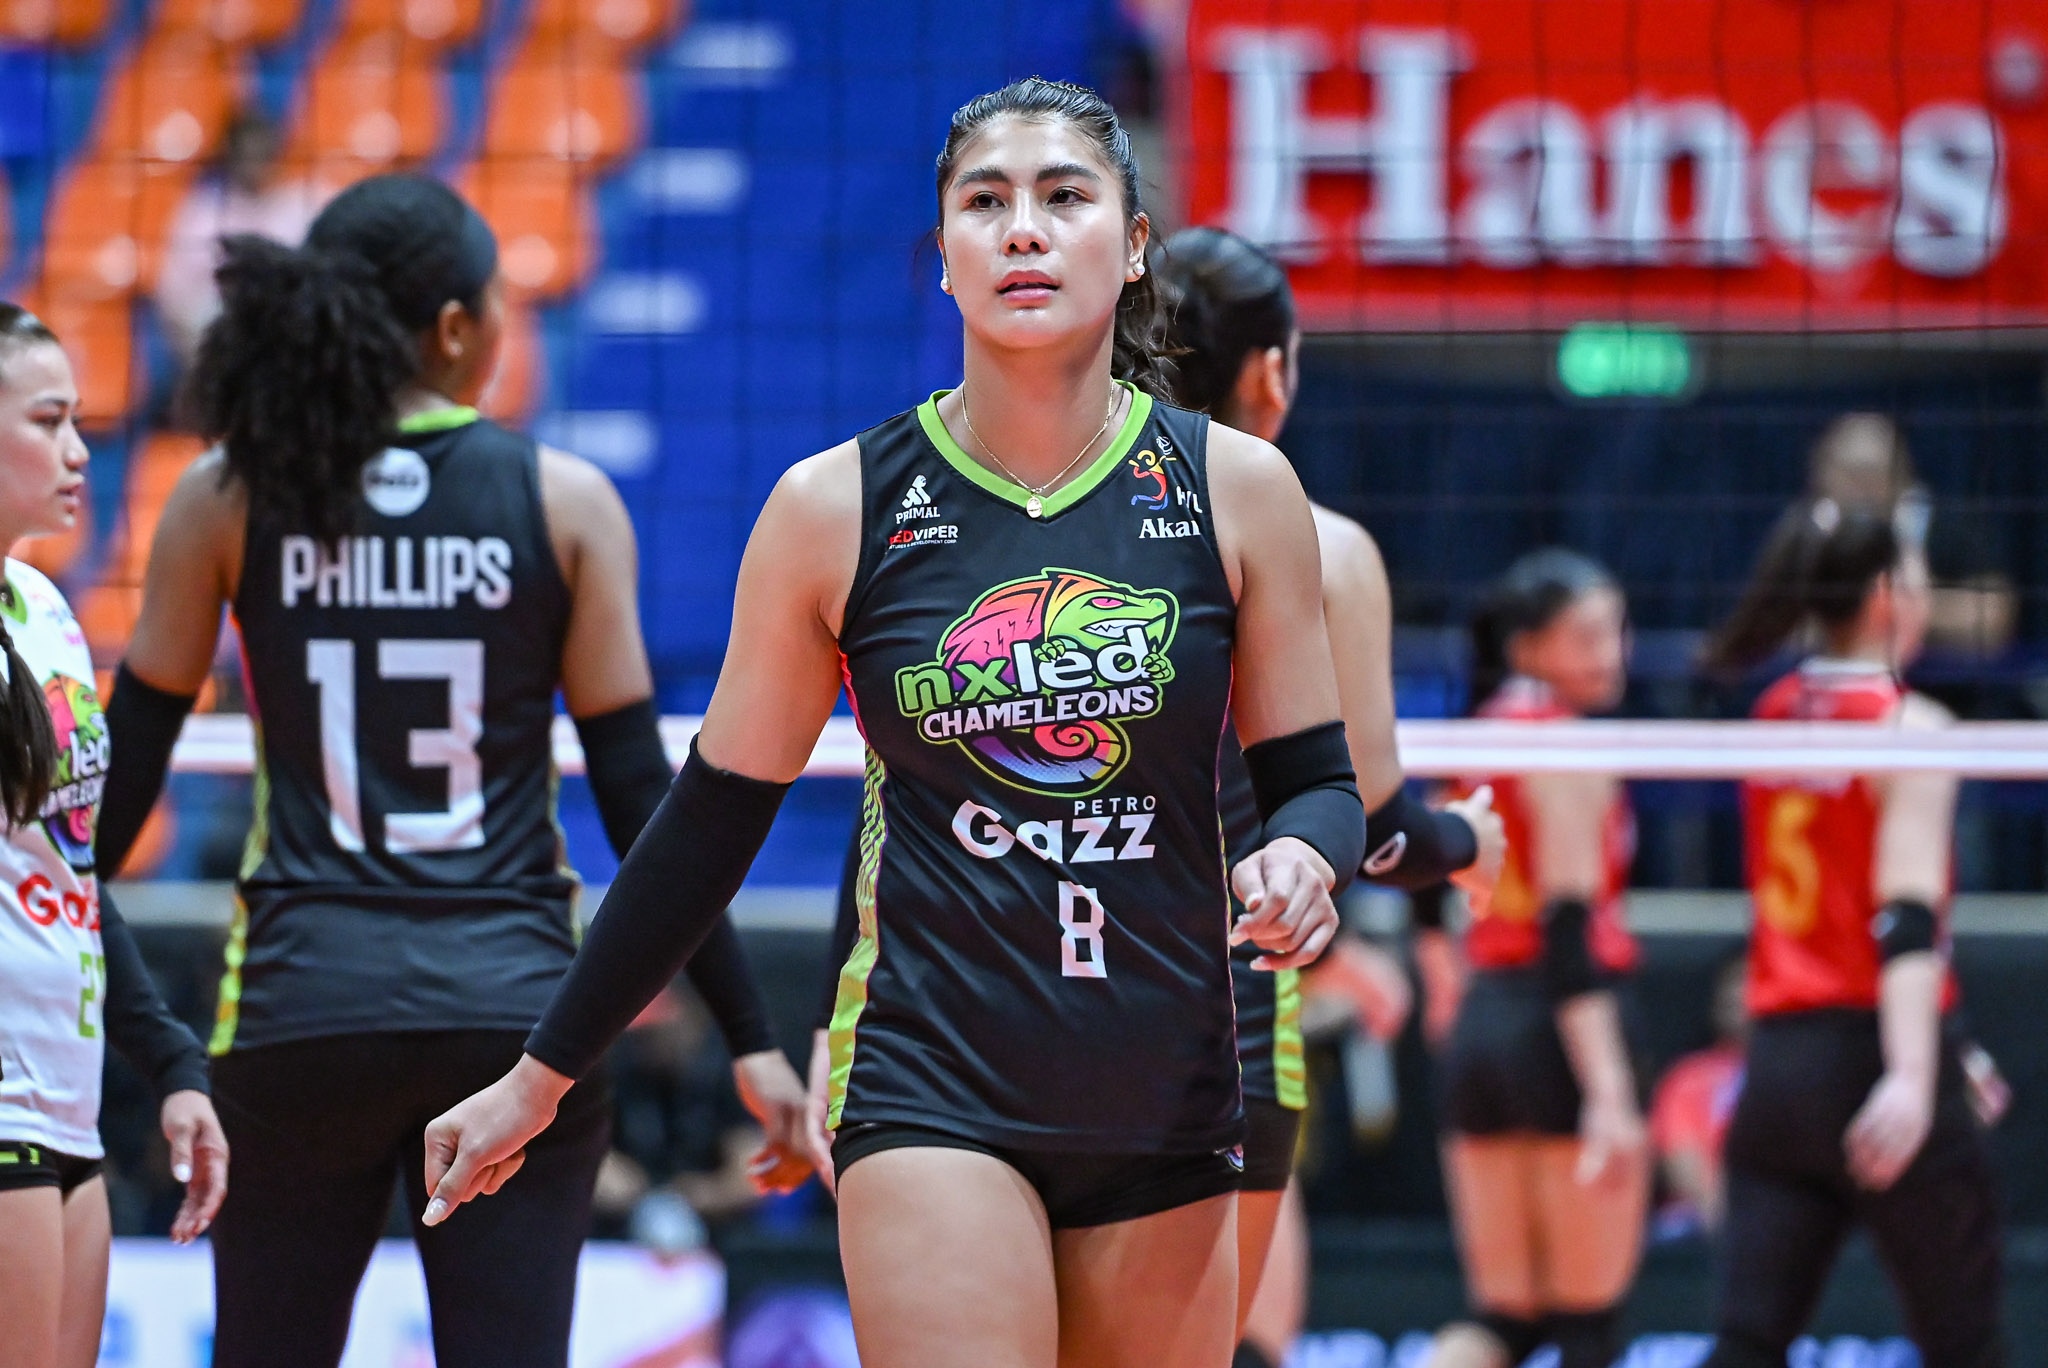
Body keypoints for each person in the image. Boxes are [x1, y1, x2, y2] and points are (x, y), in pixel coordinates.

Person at [421, 77, 1369, 1368]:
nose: (1023, 228)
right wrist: (541, 1076)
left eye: (1064, 197)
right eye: (985, 203)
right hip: (932, 1078)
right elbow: (708, 823)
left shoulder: (1239, 490)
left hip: (1168, 1083)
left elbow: (1320, 781)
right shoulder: (833, 506)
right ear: (942, 257)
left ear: (1135, 244)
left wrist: (1306, 854)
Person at [93, 174, 808, 1368]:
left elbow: (105, 816)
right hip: (508, 1022)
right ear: (455, 329)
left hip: (298, 1011)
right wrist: (751, 1036)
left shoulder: (224, 494)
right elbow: (649, 806)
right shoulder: (565, 502)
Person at [1152, 224, 1502, 1368]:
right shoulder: (1323, 549)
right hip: (1221, 1016)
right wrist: (1467, 841)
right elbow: (1377, 832)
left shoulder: (1021, 523)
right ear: (1270, 372)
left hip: (1020, 1007)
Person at [1696, 501, 2006, 1368]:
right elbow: (1902, 916)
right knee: (1968, 1349)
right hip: (1875, 1057)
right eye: (1918, 577)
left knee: (1747, 1344)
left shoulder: (1773, 712)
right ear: (1883, 595)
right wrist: (1915, 1070)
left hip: (1779, 1068)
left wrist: (1954, 1050)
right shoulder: (1910, 727)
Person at [0, 303, 226, 1368]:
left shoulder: (43, 609)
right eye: (48, 421)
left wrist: (172, 1060)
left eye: (80, 421)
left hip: (66, 1099)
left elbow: (72, 874)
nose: (80, 450)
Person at [1418, 549, 1648, 1368]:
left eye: (1617, 631)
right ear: (1527, 647)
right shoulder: (1564, 748)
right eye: (1586, 636)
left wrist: (1448, 1000)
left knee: (1504, 1322)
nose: (1611, 653)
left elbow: (1422, 893)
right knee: (1587, 1327)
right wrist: (1609, 1090)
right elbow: (1568, 931)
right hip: (1561, 1032)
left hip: (1483, 1024)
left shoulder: (1467, 738)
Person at [154, 107, 326, 369]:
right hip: (223, 350)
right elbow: (173, 295)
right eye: (247, 154)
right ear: (230, 156)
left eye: (261, 153)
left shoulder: (308, 202)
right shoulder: (203, 213)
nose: (254, 164)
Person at [1648, 952, 1746, 1236]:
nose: (1734, 999)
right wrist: (1724, 1225)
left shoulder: (1796, 1074)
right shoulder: (1689, 1076)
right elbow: (1679, 1154)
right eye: (1728, 991)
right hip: (1698, 1222)